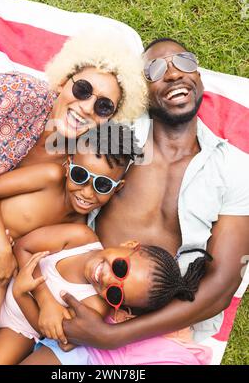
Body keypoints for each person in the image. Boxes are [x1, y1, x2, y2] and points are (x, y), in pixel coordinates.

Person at [47, 38, 249, 364]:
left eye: (183, 62)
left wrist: (114, 336)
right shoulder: (117, 136)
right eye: (155, 69)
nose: (172, 75)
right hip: (85, 296)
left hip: (163, 332)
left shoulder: (236, 169)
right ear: (142, 89)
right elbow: (53, 119)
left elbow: (223, 285)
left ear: (198, 76)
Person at [0, 28, 147, 270]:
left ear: (111, 118)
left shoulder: (77, 161)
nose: (86, 107)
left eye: (104, 106)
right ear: (63, 81)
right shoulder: (20, 95)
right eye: (82, 90)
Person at [0, 221, 212, 365]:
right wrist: (43, 297)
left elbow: (45, 327)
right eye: (121, 267)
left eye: (116, 294)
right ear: (130, 245)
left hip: (19, 331)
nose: (107, 278)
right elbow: (23, 248)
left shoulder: (94, 309)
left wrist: (23, 296)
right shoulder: (78, 238)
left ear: (120, 309)